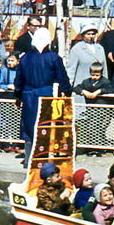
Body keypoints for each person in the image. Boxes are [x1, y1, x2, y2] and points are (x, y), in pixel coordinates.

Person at [14, 27, 71, 161]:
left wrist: (18, 96)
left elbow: (19, 79)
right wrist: (67, 92)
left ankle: (29, 159)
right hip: (46, 95)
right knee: (44, 126)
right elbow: (63, 78)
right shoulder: (54, 58)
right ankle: (42, 158)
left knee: (29, 126)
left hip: (28, 95)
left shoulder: (25, 58)